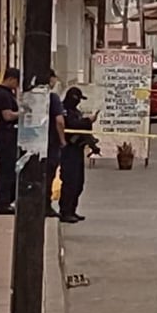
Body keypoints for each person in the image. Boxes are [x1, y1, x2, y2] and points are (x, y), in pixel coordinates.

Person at [60, 87, 98, 224]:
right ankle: (65, 212)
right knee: (70, 182)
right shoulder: (64, 110)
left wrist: (93, 144)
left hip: (78, 149)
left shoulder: (75, 112)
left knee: (78, 183)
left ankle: (72, 210)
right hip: (68, 150)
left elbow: (83, 130)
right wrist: (89, 121)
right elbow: (72, 125)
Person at [0, 67, 21, 215]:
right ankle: (3, 201)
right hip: (5, 135)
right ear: (11, 79)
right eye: (17, 82)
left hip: (10, 135)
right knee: (6, 169)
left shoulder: (7, 93)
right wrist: (23, 113)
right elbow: (7, 115)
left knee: (10, 168)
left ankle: (6, 200)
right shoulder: (2, 95)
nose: (17, 86)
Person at [45, 71, 66, 218]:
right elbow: (59, 121)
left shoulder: (30, 96)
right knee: (49, 174)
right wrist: (63, 140)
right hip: (51, 142)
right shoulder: (53, 98)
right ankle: (46, 204)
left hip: (34, 142)